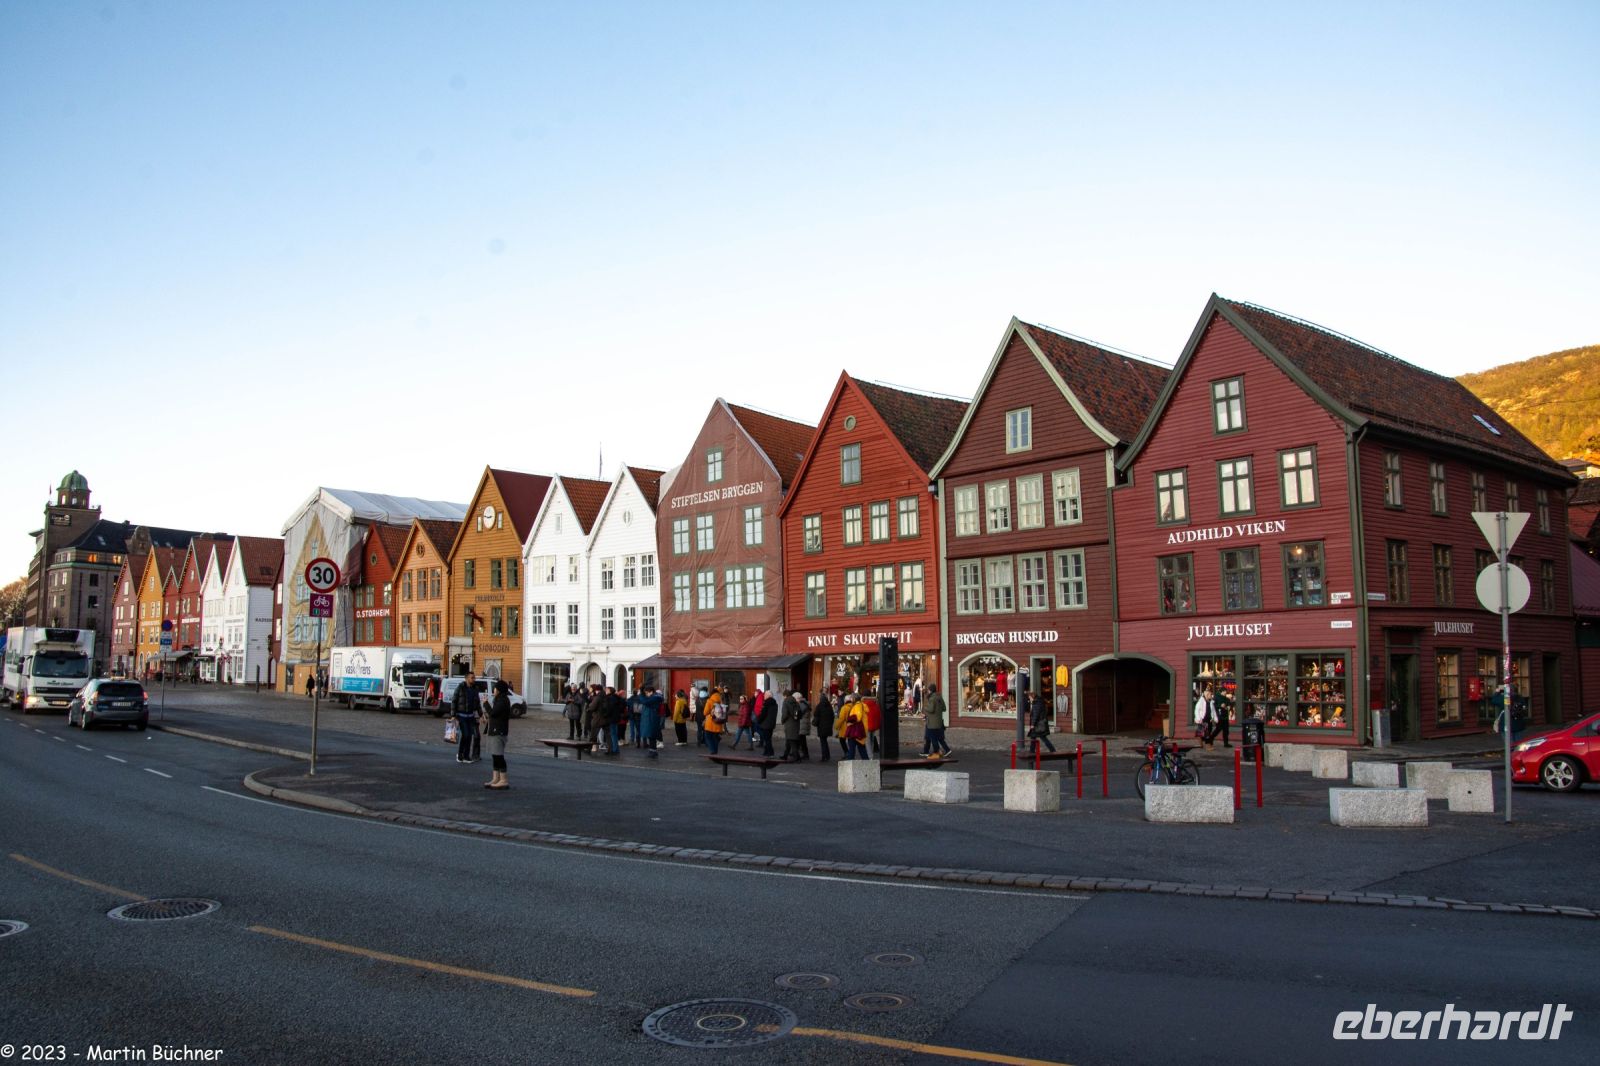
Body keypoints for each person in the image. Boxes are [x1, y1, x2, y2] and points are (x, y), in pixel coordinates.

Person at [484, 679, 512, 789]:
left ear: (499, 690)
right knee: (495, 755)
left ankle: (504, 780)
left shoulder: (503, 700)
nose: (494, 690)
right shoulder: (499, 699)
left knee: (499, 755)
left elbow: (493, 713)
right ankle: (496, 778)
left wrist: (485, 703)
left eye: (495, 688)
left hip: (499, 731)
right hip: (494, 729)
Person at [452, 672, 482, 763]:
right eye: (472, 678)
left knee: (469, 736)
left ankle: (465, 756)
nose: (474, 679)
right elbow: (454, 700)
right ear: (466, 678)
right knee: (466, 735)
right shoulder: (460, 688)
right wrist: (453, 715)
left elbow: (477, 703)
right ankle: (461, 755)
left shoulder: (475, 689)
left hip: (470, 716)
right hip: (462, 716)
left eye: (474, 678)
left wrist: (481, 715)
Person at [922, 682, 951, 758]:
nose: (927, 691)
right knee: (934, 737)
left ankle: (937, 752)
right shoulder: (939, 697)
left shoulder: (932, 698)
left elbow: (931, 709)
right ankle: (926, 751)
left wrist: (925, 707)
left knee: (933, 738)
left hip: (932, 723)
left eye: (928, 690)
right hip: (939, 722)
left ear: (930, 690)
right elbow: (944, 708)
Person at [1195, 683, 1230, 748]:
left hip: (1209, 719)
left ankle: (1207, 743)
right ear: (1207, 695)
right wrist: (1198, 718)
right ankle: (1206, 744)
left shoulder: (1211, 702)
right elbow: (1197, 710)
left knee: (1208, 731)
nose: (1211, 695)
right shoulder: (1201, 702)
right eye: (1210, 694)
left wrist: (1215, 718)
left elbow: (1213, 710)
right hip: (1202, 718)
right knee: (1202, 733)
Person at [779, 689, 802, 761]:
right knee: (789, 740)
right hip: (795, 723)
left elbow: (785, 713)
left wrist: (782, 720)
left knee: (792, 741)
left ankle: (797, 757)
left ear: (785, 695)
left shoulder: (786, 702)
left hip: (789, 724)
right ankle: (785, 755)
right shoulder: (794, 701)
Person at [757, 690, 779, 758]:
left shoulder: (767, 703)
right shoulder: (774, 703)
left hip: (766, 724)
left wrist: (759, 720)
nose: (764, 696)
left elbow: (763, 714)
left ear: (768, 696)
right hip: (771, 724)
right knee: (768, 739)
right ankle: (766, 752)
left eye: (765, 695)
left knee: (767, 739)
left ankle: (770, 753)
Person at [813, 692, 834, 762]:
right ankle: (827, 755)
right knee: (825, 741)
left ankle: (824, 756)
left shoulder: (819, 706)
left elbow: (815, 714)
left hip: (821, 727)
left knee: (823, 742)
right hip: (828, 727)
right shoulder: (829, 706)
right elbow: (832, 716)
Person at [795, 692, 812, 761]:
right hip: (804, 724)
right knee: (802, 740)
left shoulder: (801, 705)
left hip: (802, 724)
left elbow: (798, 714)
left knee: (801, 740)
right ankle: (802, 754)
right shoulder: (805, 703)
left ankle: (804, 754)